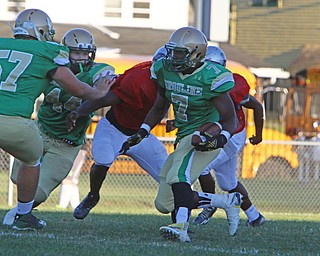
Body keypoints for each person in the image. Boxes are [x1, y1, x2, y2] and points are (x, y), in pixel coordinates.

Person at [120, 27, 242, 243]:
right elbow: (159, 107)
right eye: (172, 51)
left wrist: (220, 138)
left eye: (179, 53)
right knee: (164, 203)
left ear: (196, 53)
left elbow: (230, 119)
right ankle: (227, 202)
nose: (173, 57)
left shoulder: (210, 77)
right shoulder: (165, 70)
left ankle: (181, 226)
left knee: (179, 176)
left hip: (203, 136)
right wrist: (142, 131)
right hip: (183, 135)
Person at [0, 15, 113, 231]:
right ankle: (23, 217)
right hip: (38, 129)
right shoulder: (50, 57)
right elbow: (79, 89)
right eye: (75, 52)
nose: (80, 57)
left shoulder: (95, 70)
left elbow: (106, 75)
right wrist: (96, 93)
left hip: (66, 143)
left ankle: (21, 214)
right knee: (24, 171)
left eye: (84, 52)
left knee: (38, 191)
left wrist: (99, 89)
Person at [65, 48, 169, 220]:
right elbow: (104, 99)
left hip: (142, 135)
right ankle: (93, 196)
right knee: (103, 159)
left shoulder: (180, 83)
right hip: (114, 128)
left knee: (170, 179)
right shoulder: (137, 79)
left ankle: (179, 220)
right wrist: (79, 111)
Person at [192, 46, 266, 227]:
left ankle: (209, 205)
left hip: (233, 135)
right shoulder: (197, 82)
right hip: (218, 132)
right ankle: (254, 216)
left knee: (201, 167)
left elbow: (256, 106)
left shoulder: (231, 84)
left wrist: (259, 134)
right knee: (228, 183)